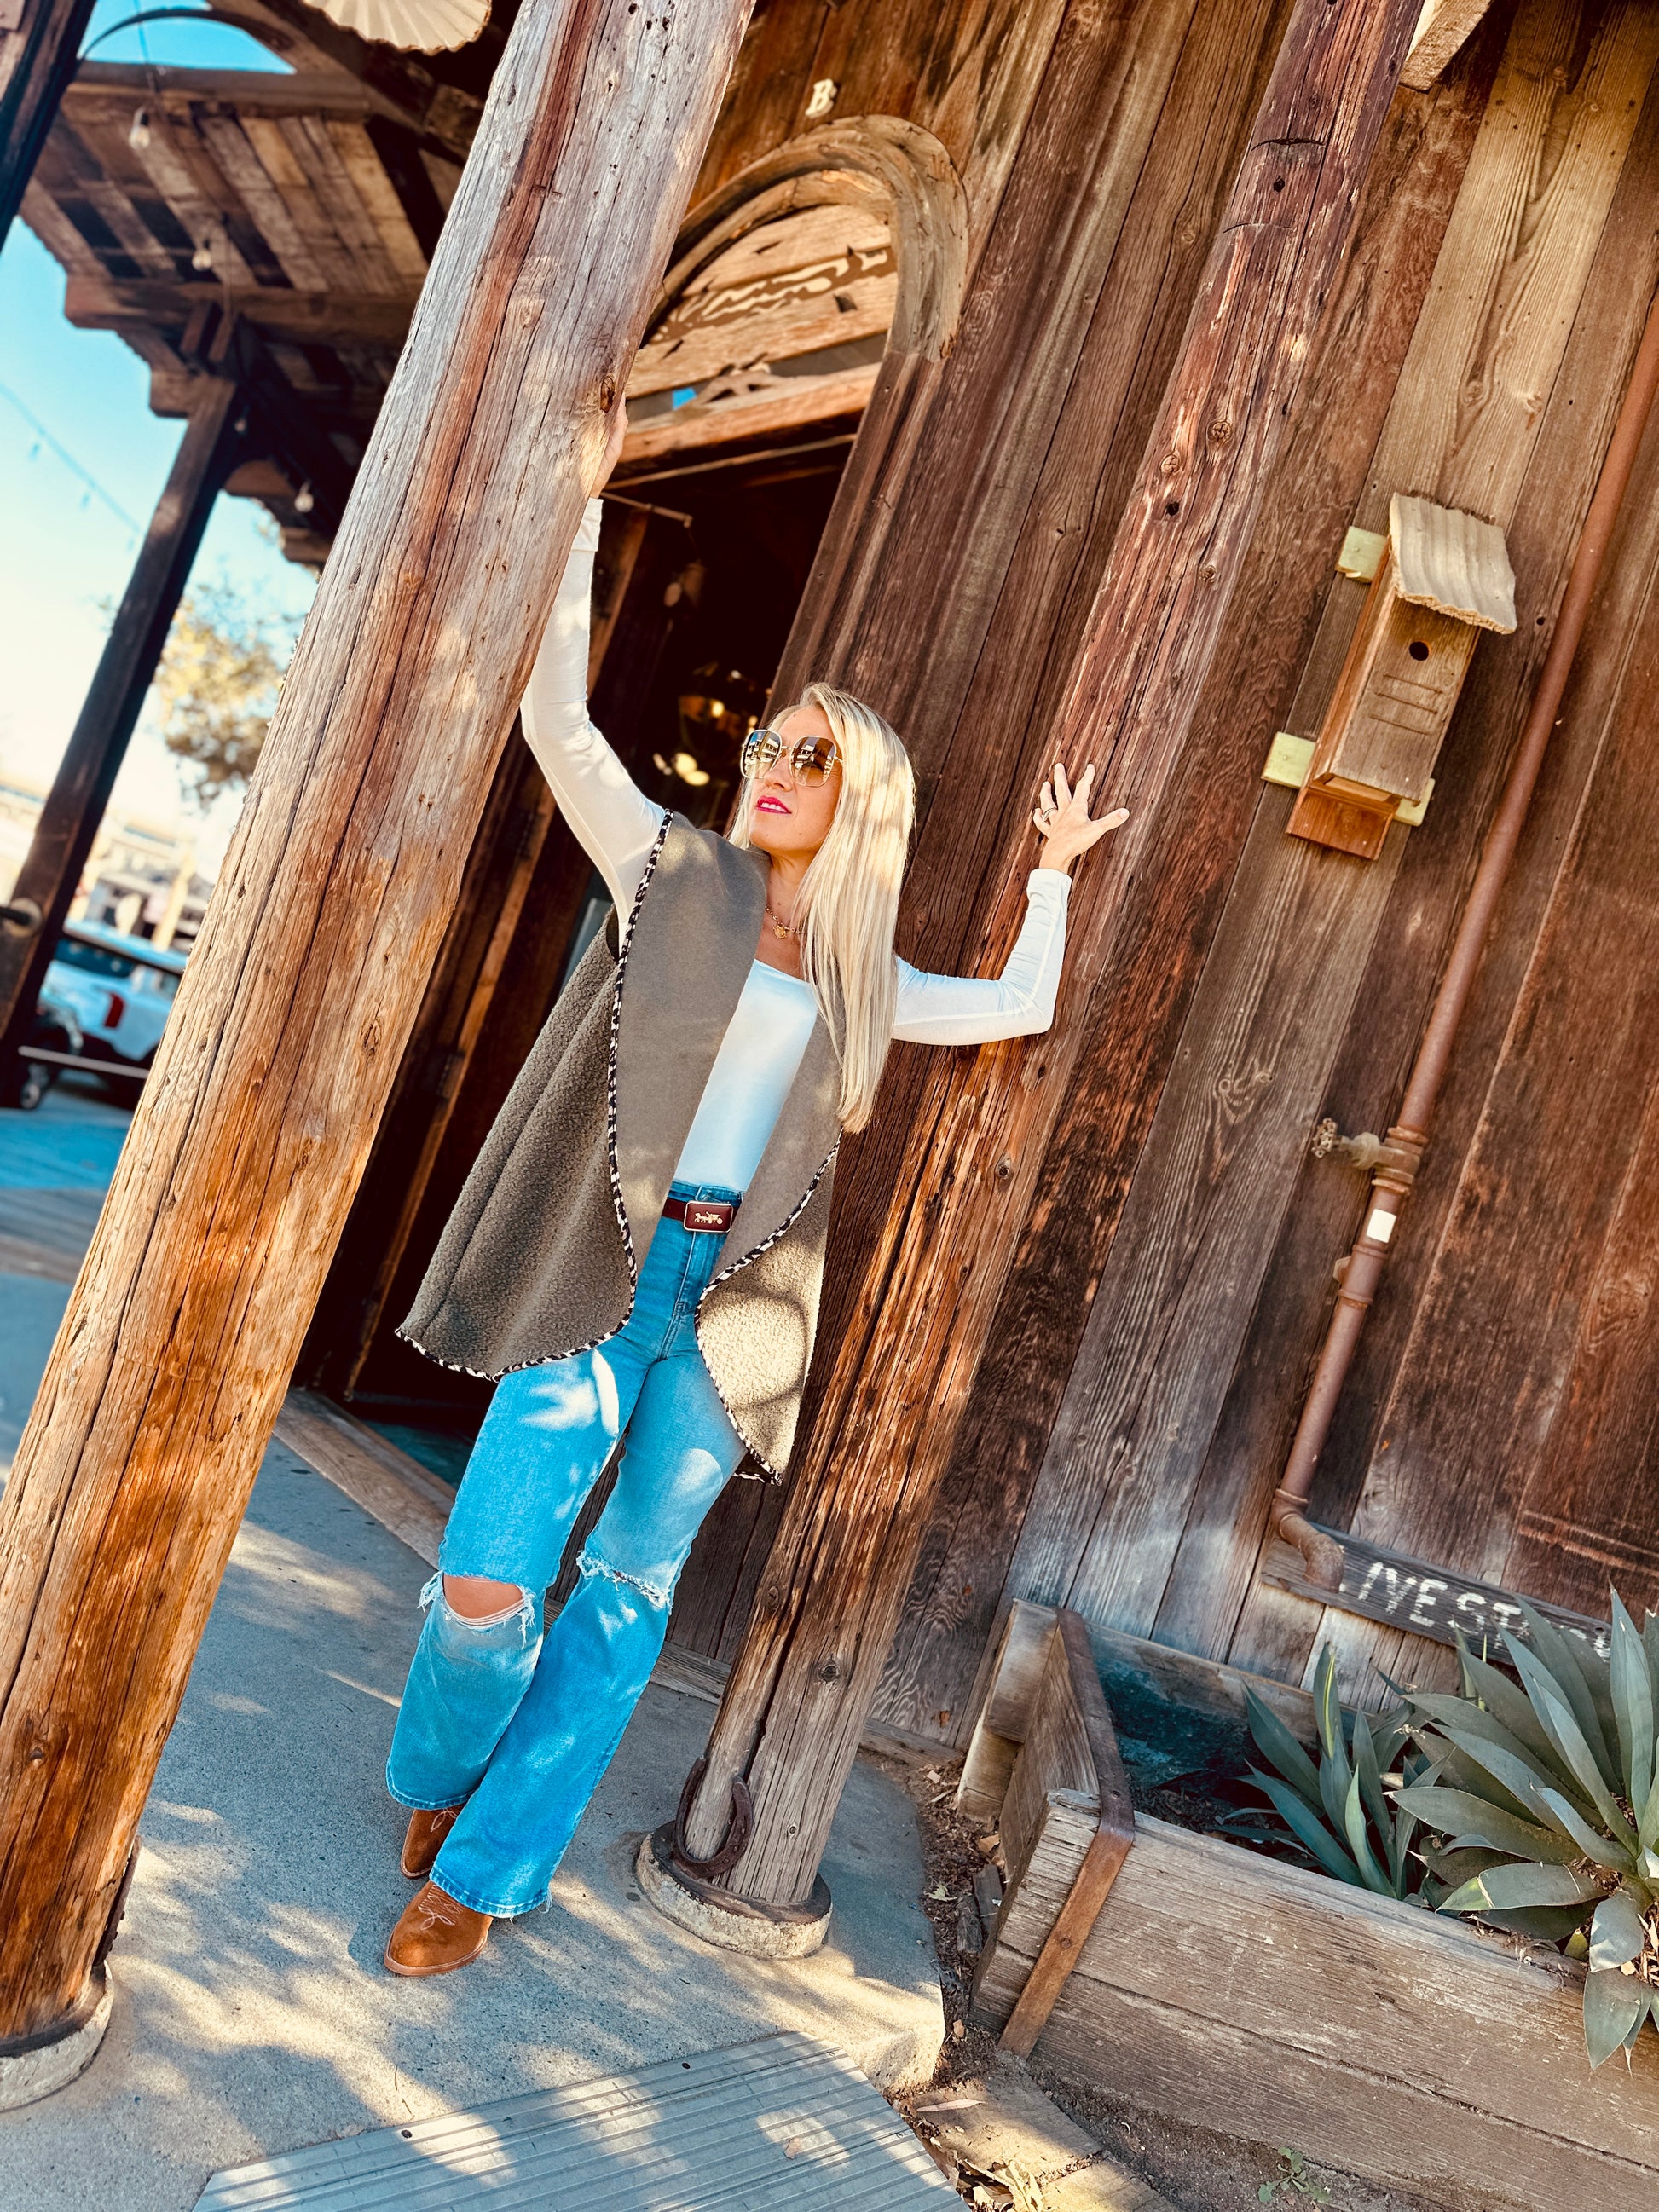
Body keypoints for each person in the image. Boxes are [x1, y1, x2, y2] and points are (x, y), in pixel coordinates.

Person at [379, 407, 1128, 1976]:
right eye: (767, 748)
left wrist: (1054, 873)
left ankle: (485, 1874)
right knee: (484, 1582)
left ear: (864, 800)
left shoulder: (861, 976)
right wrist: (583, 515)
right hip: (601, 1272)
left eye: (811, 758)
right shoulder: (672, 870)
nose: (773, 769)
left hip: (734, 1311)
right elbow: (556, 723)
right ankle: (446, 1777)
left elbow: (1016, 1006)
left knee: (624, 1598)